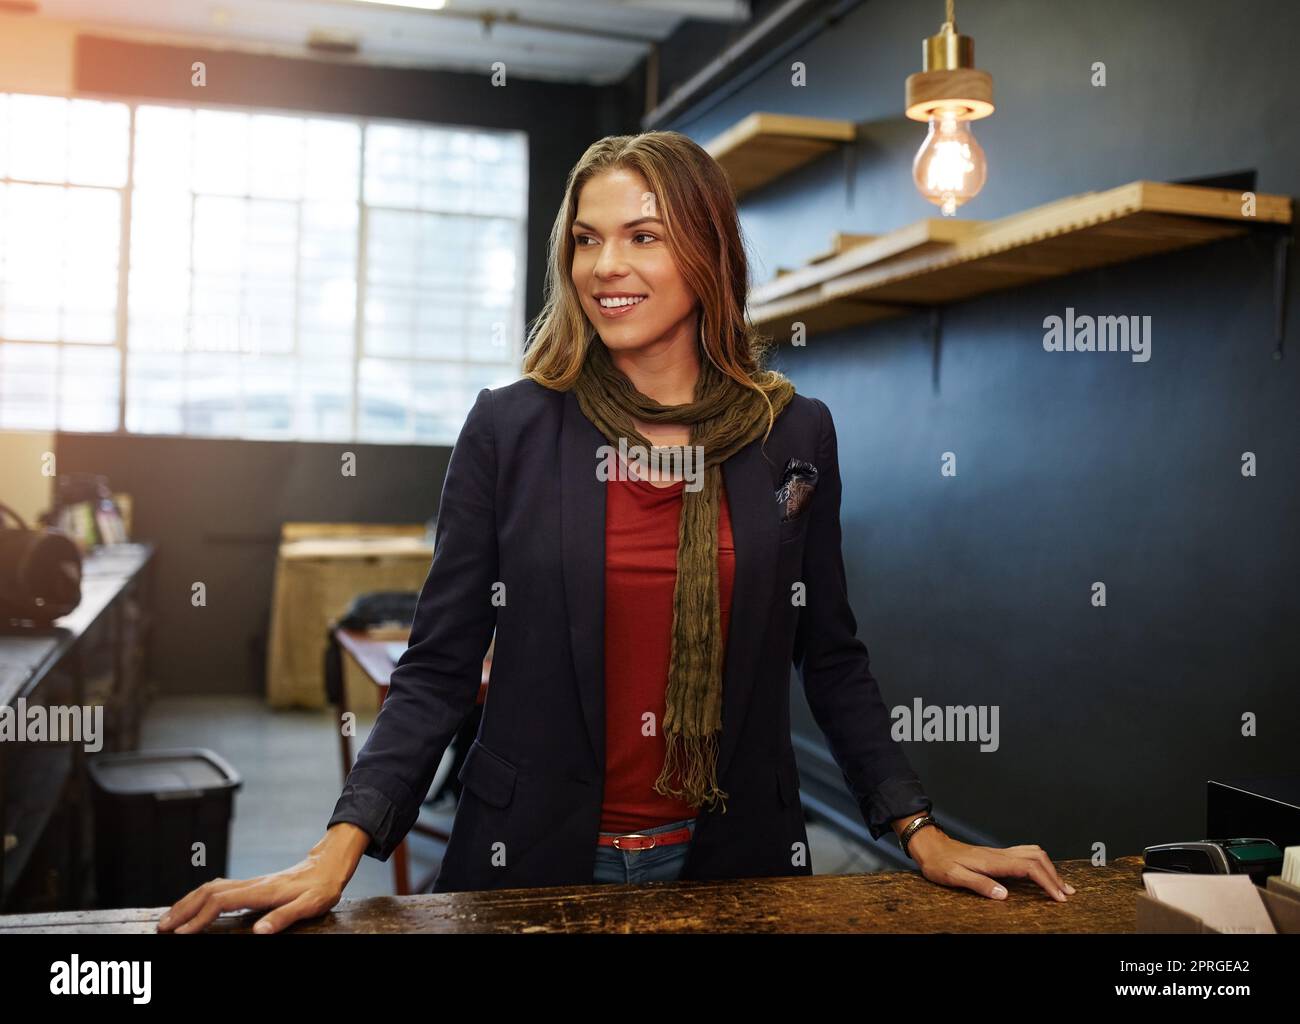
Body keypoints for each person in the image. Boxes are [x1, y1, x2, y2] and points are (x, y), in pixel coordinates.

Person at [158, 130, 1074, 935]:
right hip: (532, 857)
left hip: (734, 856)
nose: (606, 266)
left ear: (708, 252)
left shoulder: (792, 434)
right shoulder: (511, 429)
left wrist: (918, 828)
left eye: (643, 236)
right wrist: (338, 851)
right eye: (587, 240)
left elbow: (829, 656)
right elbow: (437, 667)